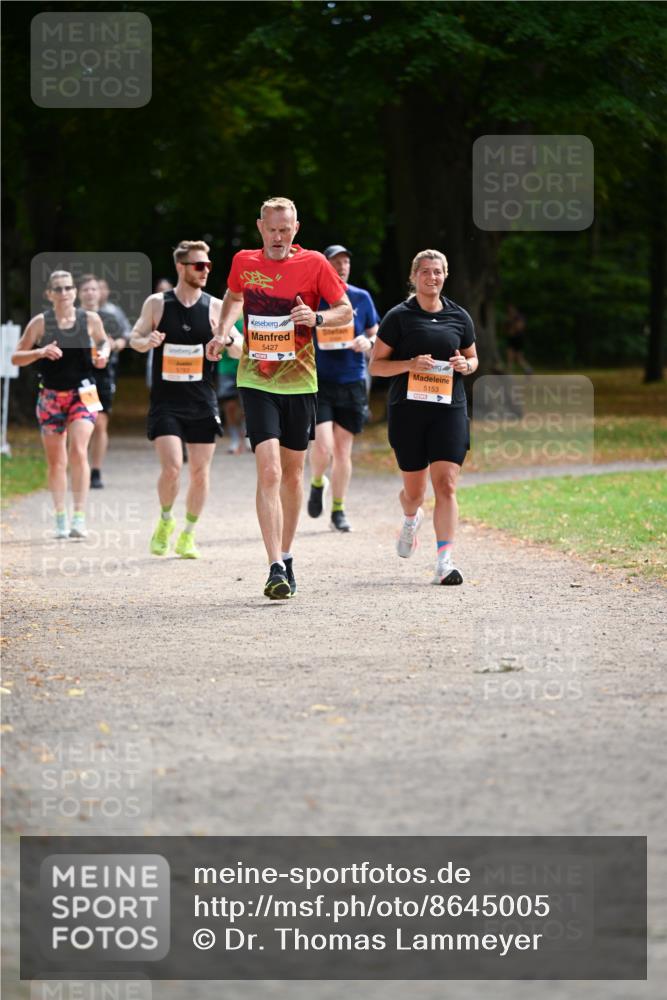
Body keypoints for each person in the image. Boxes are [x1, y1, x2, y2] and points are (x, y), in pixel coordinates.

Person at [206, 196, 352, 599]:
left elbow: (345, 311)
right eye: (271, 229)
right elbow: (234, 298)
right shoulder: (244, 262)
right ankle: (273, 565)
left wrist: (317, 317)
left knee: (291, 475)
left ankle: (287, 554)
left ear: (296, 229)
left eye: (285, 230)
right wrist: (222, 331)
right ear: (260, 227)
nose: (277, 237)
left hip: (301, 382)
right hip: (256, 379)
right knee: (268, 471)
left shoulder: (315, 265)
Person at [369, 250, 478, 585]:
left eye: (438, 272)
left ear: (446, 276)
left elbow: (473, 360)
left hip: (449, 410)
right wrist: (408, 365)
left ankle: (444, 562)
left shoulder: (460, 317)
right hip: (408, 412)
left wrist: (465, 366)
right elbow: (376, 366)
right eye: (426, 272)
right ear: (414, 276)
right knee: (414, 492)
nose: (433, 278)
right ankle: (409, 517)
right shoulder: (398, 317)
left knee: (445, 484)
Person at [130, 240, 241, 559]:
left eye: (208, 265)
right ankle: (166, 520)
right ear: (181, 267)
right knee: (172, 468)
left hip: (203, 400)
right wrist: (146, 340)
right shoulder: (157, 304)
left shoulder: (216, 306)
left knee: (200, 472)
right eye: (198, 265)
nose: (205, 270)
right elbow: (134, 339)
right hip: (166, 401)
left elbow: (240, 348)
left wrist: (225, 336)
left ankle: (189, 534)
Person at [11, 270, 110, 538]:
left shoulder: (89, 319)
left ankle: (79, 517)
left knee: (78, 450)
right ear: (49, 294)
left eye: (68, 288)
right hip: (51, 396)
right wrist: (40, 351)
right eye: (58, 288)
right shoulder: (40, 323)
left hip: (83, 393)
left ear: (75, 292)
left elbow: (104, 341)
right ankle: (60, 519)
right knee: (56, 461)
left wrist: (103, 353)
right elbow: (16, 358)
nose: (64, 292)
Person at [307, 244, 380, 532]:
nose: (342, 266)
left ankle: (338, 509)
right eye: (336, 261)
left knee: (342, 450)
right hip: (320, 381)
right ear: (325, 266)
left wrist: (368, 342)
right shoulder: (313, 299)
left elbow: (377, 333)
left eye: (346, 261)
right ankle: (316, 482)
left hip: (352, 381)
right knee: (322, 446)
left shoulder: (361, 297)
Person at [77, 274, 129, 488]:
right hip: (78, 375)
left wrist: (113, 345)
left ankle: (95, 471)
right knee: (79, 423)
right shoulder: (72, 317)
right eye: (86, 289)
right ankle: (79, 465)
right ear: (79, 293)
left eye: (94, 289)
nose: (90, 293)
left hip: (103, 374)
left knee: (99, 423)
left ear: (100, 293)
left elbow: (126, 336)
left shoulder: (110, 317)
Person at [217, 318, 247, 454]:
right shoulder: (222, 319)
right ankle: (234, 439)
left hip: (247, 368)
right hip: (227, 369)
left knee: (247, 407)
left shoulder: (248, 316)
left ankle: (247, 437)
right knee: (229, 407)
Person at [504, 303, 533, 375]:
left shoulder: (519, 317)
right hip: (511, 339)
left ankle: (528, 370)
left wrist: (513, 327)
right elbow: (506, 329)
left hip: (518, 339)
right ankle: (510, 374)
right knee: (510, 358)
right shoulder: (509, 318)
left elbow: (520, 327)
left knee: (519, 358)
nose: (510, 310)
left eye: (511, 308)